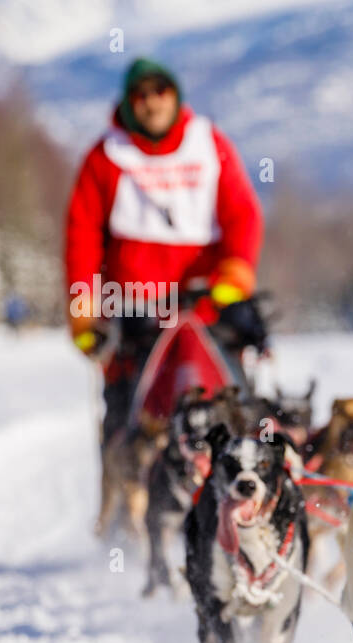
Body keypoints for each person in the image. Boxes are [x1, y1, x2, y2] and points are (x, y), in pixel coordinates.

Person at [64, 57, 267, 443]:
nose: (152, 102)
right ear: (128, 103)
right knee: (128, 423)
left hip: (207, 305)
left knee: (238, 407)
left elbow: (242, 214)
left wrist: (236, 273)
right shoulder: (105, 156)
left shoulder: (208, 144)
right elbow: (81, 239)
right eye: (141, 95)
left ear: (175, 97)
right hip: (136, 314)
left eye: (161, 92)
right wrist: (82, 312)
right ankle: (126, 494)